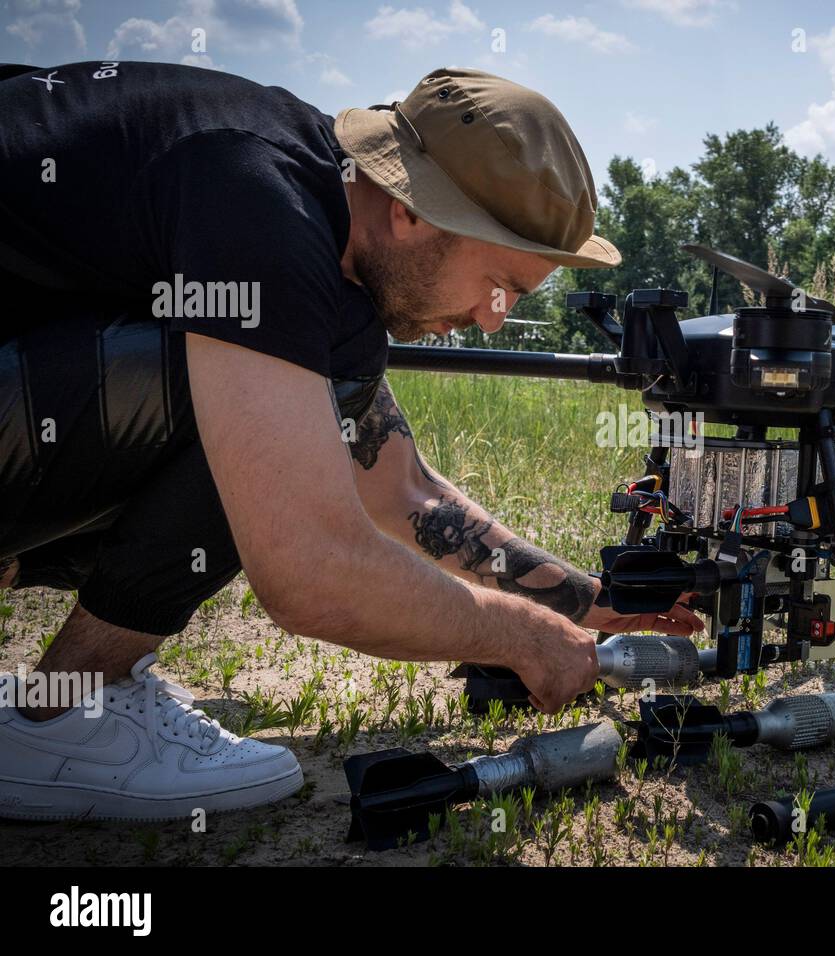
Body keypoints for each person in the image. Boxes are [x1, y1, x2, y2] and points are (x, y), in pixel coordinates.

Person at [0, 61, 700, 821]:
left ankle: (67, 695)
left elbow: (405, 489)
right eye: (501, 284)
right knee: (263, 396)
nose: (494, 319)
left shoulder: (321, 212)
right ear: (413, 212)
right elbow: (309, 570)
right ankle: (63, 716)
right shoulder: (257, 202)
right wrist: (518, 637)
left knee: (304, 377)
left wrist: (582, 603)